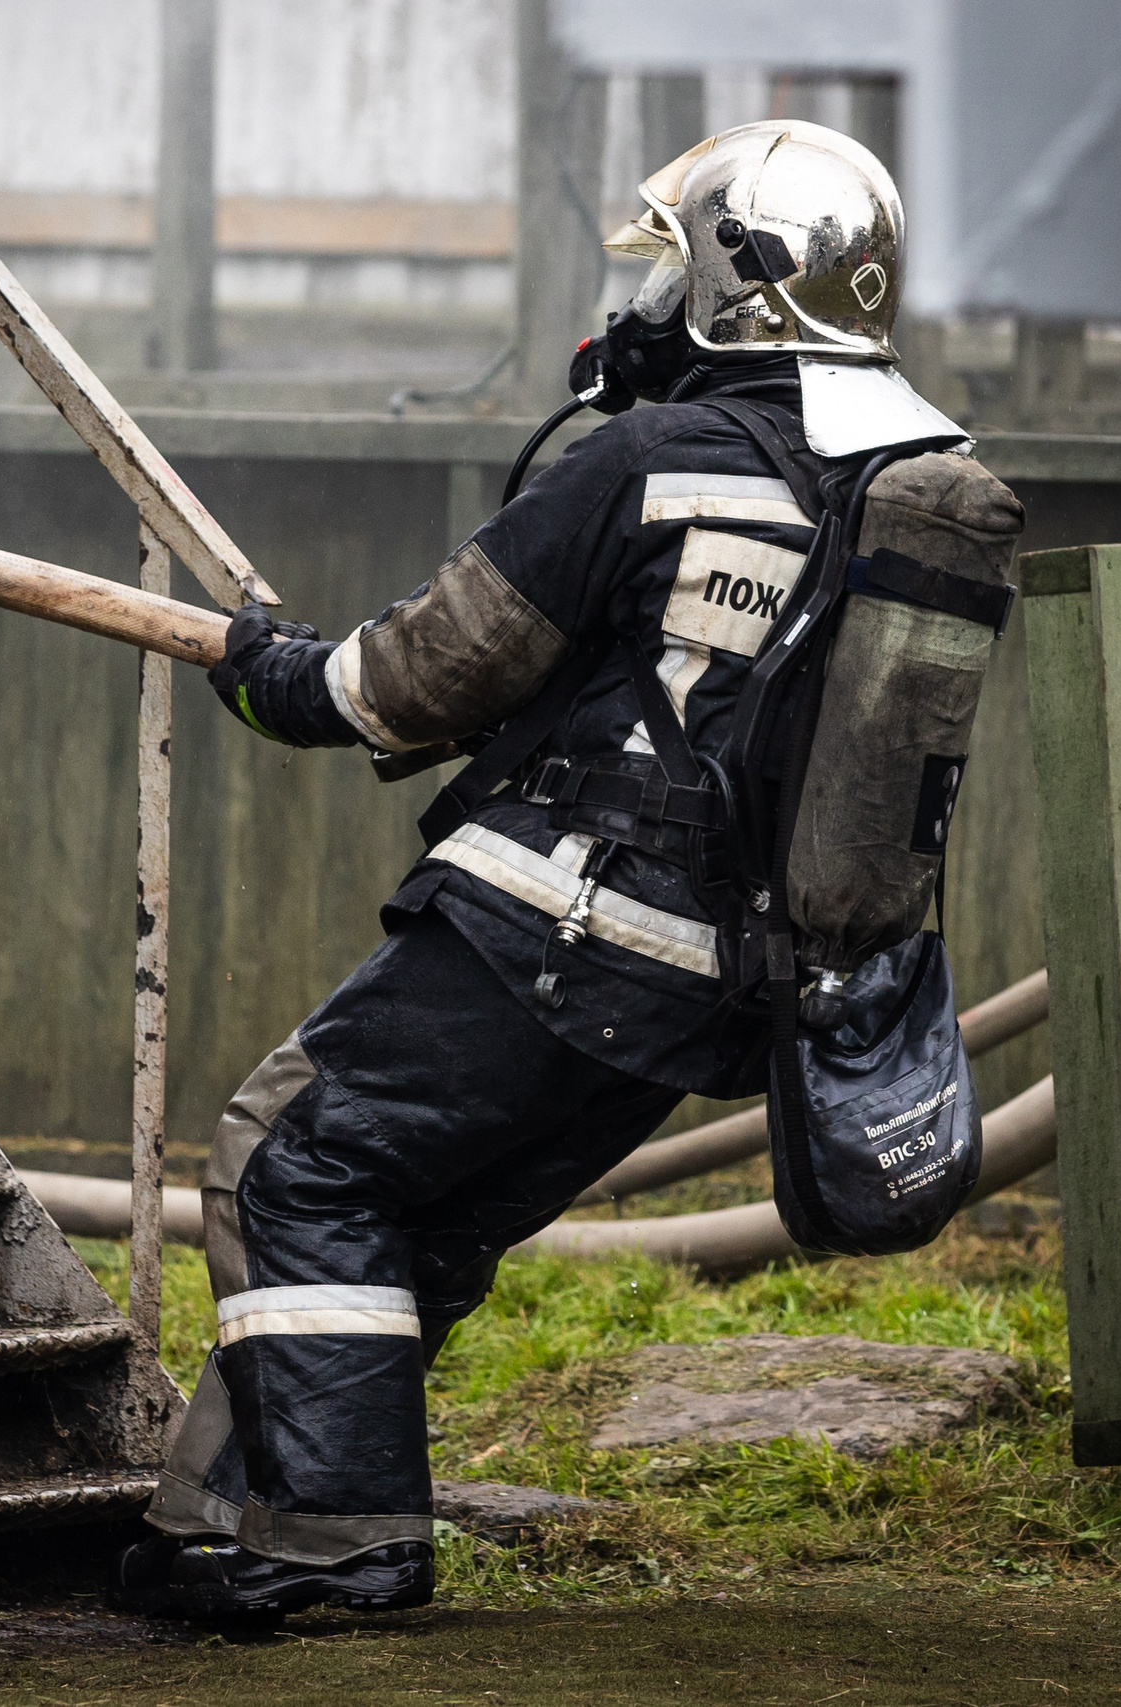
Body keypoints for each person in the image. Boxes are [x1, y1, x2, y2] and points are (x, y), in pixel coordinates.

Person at [113, 119, 1025, 1624]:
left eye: (672, 270)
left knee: (292, 1159)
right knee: (410, 1217)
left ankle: (339, 1541)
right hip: (721, 993)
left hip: (564, 928)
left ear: (730, 280)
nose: (648, 302)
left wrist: (270, 674)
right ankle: (217, 1515)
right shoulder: (915, 488)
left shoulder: (649, 464)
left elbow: (408, 684)